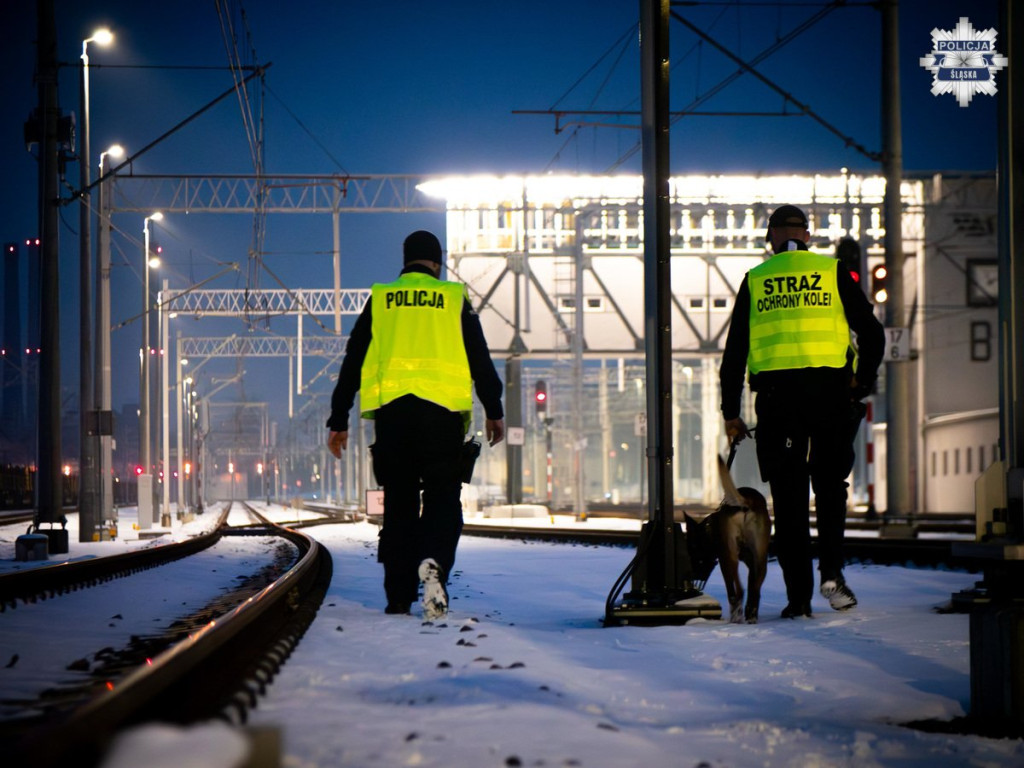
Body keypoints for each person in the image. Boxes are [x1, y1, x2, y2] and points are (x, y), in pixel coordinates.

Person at [326, 230, 505, 619]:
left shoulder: (383, 300)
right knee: (442, 500)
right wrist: (494, 408)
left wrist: (338, 417)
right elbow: (480, 357)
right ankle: (435, 564)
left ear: (404, 260)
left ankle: (397, 596)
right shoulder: (452, 299)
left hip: (393, 419)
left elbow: (353, 359)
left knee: (401, 506)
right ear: (437, 263)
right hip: (442, 418)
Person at [719, 205, 884, 619]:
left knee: (790, 500)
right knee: (830, 488)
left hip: (778, 403)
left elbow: (735, 353)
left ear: (771, 237)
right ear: (807, 236)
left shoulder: (756, 280)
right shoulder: (832, 273)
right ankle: (832, 573)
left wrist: (730, 412)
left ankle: (799, 600)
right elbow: (873, 334)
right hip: (831, 396)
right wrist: (860, 383)